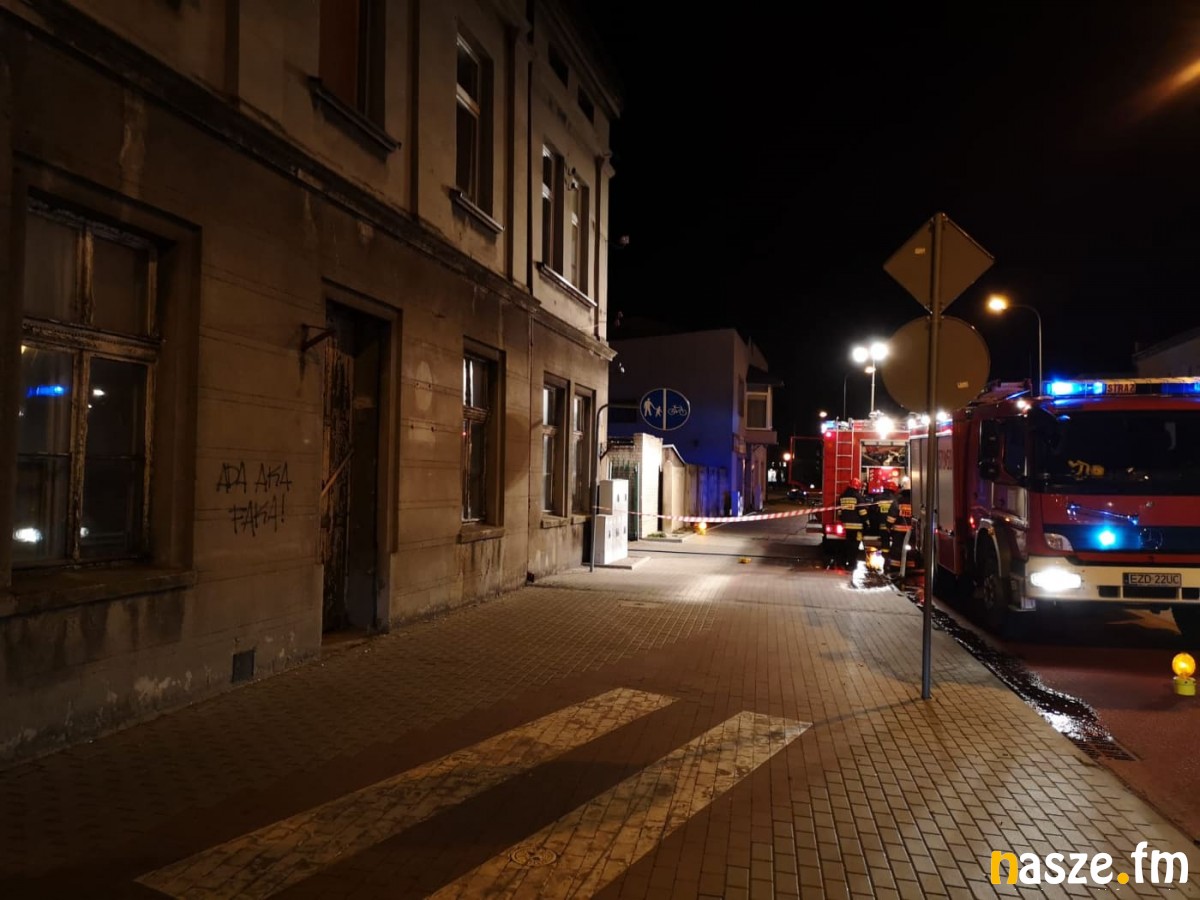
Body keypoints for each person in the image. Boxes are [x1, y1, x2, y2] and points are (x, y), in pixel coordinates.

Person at [836, 477, 868, 567]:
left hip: (846, 526)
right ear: (858, 487)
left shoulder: (843, 496)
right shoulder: (858, 496)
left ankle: (843, 562)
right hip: (857, 527)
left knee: (847, 544)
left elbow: (839, 511)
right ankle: (851, 564)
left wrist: (843, 520)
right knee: (854, 546)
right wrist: (866, 522)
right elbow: (862, 511)